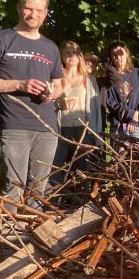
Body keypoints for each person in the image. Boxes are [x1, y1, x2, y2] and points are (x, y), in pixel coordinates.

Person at [0, 0, 63, 212]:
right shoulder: (1, 39)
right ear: (19, 8)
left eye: (39, 11)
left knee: (39, 192)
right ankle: (7, 242)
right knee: (13, 190)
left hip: (47, 127)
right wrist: (19, 84)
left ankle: (32, 243)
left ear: (46, 14)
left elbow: (59, 85)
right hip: (15, 125)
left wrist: (52, 92)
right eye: (28, 8)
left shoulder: (51, 47)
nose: (33, 15)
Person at [51, 41, 102, 185]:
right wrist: (60, 104)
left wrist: (96, 136)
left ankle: (79, 204)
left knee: (81, 173)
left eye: (75, 52)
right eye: (68, 52)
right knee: (55, 170)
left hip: (83, 130)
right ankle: (50, 204)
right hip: (60, 130)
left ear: (80, 56)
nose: (71, 55)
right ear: (61, 56)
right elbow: (47, 103)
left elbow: (96, 110)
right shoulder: (56, 79)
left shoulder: (89, 80)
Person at [104, 42, 139, 143]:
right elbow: (109, 101)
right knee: (120, 157)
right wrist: (130, 114)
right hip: (118, 126)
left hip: (138, 125)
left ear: (127, 54)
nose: (118, 57)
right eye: (114, 55)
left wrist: (134, 120)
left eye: (121, 53)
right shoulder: (109, 78)